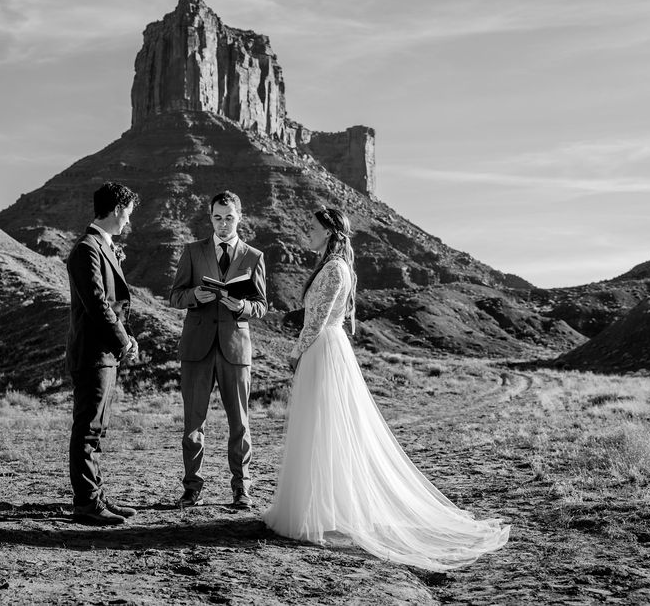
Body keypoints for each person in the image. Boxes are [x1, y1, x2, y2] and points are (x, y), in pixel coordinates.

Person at [263, 207, 510, 570]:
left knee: (322, 428)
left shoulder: (333, 269)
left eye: (313, 227)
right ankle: (320, 509)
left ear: (331, 232)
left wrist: (295, 353)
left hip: (322, 350)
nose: (308, 232)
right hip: (327, 350)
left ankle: (321, 512)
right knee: (322, 430)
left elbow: (315, 321)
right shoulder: (334, 267)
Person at [170, 191, 267, 509]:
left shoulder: (254, 256)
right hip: (197, 348)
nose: (223, 224)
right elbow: (175, 296)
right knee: (193, 422)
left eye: (229, 217)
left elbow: (262, 306)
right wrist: (196, 295)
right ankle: (192, 487)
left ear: (240, 217)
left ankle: (242, 488)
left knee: (240, 422)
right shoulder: (192, 251)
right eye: (217, 217)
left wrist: (242, 306)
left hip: (236, 349)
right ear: (210, 217)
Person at [66, 182, 140, 526]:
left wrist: (125, 338)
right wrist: (123, 341)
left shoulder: (102, 246)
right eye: (127, 212)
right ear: (116, 210)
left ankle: (97, 496)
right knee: (88, 429)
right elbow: (97, 303)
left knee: (98, 429)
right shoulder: (87, 249)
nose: (128, 220)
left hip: (105, 352)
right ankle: (86, 505)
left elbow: (111, 304)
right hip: (93, 352)